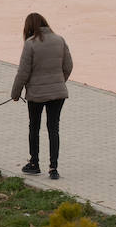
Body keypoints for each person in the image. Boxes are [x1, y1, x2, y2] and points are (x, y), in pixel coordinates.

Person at [10, 12, 73, 180]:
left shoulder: (30, 44)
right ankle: (53, 168)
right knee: (54, 129)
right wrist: (59, 82)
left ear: (29, 27)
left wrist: (15, 93)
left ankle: (34, 163)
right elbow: (68, 65)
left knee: (34, 128)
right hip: (58, 94)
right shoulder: (60, 40)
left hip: (36, 95)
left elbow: (23, 72)